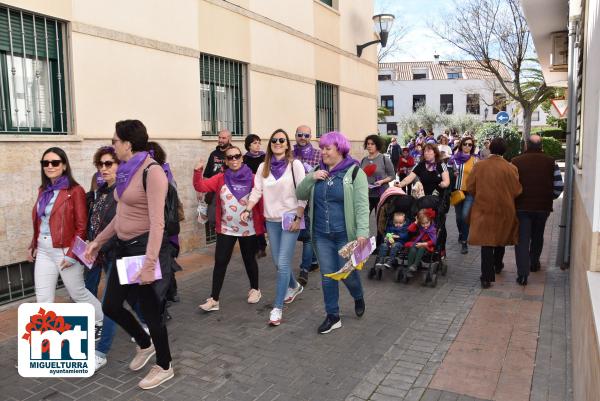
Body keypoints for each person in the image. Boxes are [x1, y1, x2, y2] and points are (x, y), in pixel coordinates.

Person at [85, 120, 175, 389]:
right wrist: (98, 242)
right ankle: (145, 344)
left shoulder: (153, 172)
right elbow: (122, 215)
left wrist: (149, 264)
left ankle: (165, 365)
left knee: (151, 311)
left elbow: (158, 223)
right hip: (123, 249)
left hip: (143, 250)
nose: (113, 145)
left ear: (127, 143)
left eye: (115, 140)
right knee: (110, 305)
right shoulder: (125, 172)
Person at [296, 131, 369, 334]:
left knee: (347, 275)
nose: (324, 152)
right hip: (321, 235)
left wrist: (362, 233)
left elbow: (362, 206)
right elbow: (299, 194)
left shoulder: (355, 173)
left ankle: (358, 295)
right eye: (322, 148)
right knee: (328, 276)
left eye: (328, 148)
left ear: (340, 149)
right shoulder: (317, 171)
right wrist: (311, 177)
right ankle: (333, 315)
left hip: (344, 235)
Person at [28, 147, 104, 338]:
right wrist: (33, 245)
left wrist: (72, 255)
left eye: (55, 162)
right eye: (46, 163)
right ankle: (44, 341)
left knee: (78, 293)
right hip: (44, 250)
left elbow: (81, 226)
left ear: (64, 165)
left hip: (65, 250)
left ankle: (100, 321)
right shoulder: (43, 190)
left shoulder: (74, 191)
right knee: (43, 298)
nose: (50, 166)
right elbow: (41, 221)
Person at [241, 129, 306, 326]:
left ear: (287, 144)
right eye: (274, 140)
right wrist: (248, 208)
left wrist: (298, 216)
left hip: (290, 218)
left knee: (283, 264)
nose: (278, 143)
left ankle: (277, 308)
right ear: (270, 144)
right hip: (271, 220)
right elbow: (256, 190)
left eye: (282, 140)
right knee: (278, 262)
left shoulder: (295, 165)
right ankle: (294, 286)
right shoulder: (263, 167)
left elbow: (303, 192)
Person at [193, 146, 264, 311]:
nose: (233, 160)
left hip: (249, 229)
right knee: (220, 262)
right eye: (230, 157)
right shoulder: (220, 178)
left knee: (249, 259)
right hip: (226, 228)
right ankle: (214, 299)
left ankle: (255, 289)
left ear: (242, 158)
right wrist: (197, 172)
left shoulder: (254, 178)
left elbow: (263, 196)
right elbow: (201, 186)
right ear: (225, 161)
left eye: (236, 156)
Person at [466, 137, 522, 289]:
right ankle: (498, 265)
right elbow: (517, 190)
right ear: (505, 151)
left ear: (490, 149)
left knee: (486, 242)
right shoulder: (511, 168)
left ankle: (486, 277)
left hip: (483, 208)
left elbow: (470, 187)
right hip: (504, 208)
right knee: (500, 237)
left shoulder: (479, 166)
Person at [511, 135, 564, 285]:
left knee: (522, 239)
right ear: (542, 146)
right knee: (538, 235)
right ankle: (534, 263)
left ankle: (522, 275)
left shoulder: (516, 161)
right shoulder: (550, 161)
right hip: (543, 207)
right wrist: (549, 197)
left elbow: (511, 186)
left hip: (521, 207)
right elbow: (559, 186)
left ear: (526, 146)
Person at [146, 141, 183, 308]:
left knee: (165, 262)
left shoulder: (162, 174)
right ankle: (169, 294)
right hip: (162, 227)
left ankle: (167, 296)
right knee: (165, 262)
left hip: (164, 227)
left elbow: (173, 203)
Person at [292, 125, 322, 286]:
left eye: (306, 135)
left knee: (310, 235)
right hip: (293, 200)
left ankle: (304, 268)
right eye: (300, 134)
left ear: (310, 137)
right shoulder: (289, 155)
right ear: (295, 135)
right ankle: (313, 261)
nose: (303, 137)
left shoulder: (318, 154)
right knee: (298, 233)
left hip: (312, 199)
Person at [448, 136, 477, 254]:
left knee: (465, 216)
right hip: (457, 191)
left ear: (472, 147)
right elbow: (447, 172)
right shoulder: (453, 159)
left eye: (470, 145)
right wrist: (452, 173)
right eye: (465, 144)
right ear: (461, 145)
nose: (467, 146)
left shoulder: (475, 160)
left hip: (469, 192)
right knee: (459, 217)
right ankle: (461, 233)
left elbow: (478, 176)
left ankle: (464, 242)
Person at [243, 134, 267, 258]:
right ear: (248, 145)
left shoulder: (265, 157)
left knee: (261, 217)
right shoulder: (244, 159)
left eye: (259, 142)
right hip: (250, 192)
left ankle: (262, 245)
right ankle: (257, 246)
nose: (258, 145)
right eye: (254, 143)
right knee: (253, 218)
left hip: (263, 191)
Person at [203, 129, 232, 234]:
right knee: (212, 218)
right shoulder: (213, 154)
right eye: (219, 137)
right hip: (213, 192)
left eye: (223, 138)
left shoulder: (233, 153)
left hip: (229, 193)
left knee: (228, 217)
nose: (220, 140)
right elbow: (207, 174)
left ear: (229, 138)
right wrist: (202, 191)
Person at [360, 134, 395, 214]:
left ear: (377, 145)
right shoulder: (364, 160)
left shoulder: (384, 159)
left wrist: (382, 181)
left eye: (372, 144)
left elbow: (392, 176)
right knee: (363, 220)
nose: (369, 146)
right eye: (368, 144)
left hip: (381, 195)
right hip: (366, 195)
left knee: (380, 221)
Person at [404, 208, 437, 273]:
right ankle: (409, 267)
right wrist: (416, 222)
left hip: (426, 246)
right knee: (412, 249)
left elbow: (434, 240)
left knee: (422, 248)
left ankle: (415, 265)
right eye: (423, 223)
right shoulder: (419, 226)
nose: (425, 225)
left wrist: (424, 244)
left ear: (430, 220)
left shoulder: (432, 229)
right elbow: (409, 229)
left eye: (427, 223)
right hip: (417, 243)